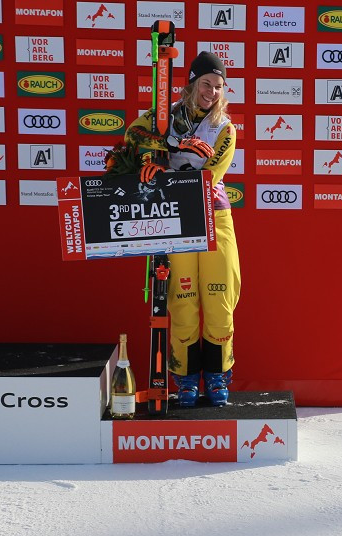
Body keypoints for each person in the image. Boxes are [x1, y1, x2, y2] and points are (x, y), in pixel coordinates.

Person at [122, 50, 240, 407]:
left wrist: (169, 171)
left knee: (219, 300)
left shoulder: (224, 127)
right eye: (206, 83)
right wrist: (162, 150)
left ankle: (217, 375)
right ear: (192, 83)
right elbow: (132, 134)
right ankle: (186, 378)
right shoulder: (164, 118)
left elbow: (209, 176)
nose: (212, 92)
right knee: (183, 302)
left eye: (219, 86)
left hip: (213, 215)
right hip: (175, 220)